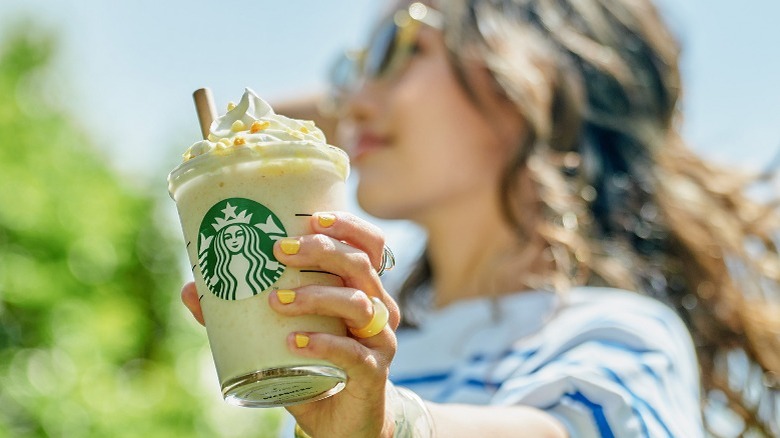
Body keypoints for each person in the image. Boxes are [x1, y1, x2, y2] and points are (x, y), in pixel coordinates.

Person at [182, 0, 780, 436]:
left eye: (403, 46)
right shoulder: (371, 354)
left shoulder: (622, 339)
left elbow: (556, 432)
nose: (357, 102)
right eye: (353, 71)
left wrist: (395, 426)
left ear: (531, 76)